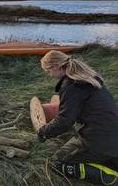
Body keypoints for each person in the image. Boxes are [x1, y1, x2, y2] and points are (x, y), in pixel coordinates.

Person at [37, 50, 118, 185]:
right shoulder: (87, 77)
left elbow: (64, 122)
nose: (50, 76)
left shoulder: (71, 85)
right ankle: (109, 159)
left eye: (48, 72)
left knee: (56, 164)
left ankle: (111, 178)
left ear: (56, 66)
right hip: (112, 135)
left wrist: (43, 132)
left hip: (98, 141)